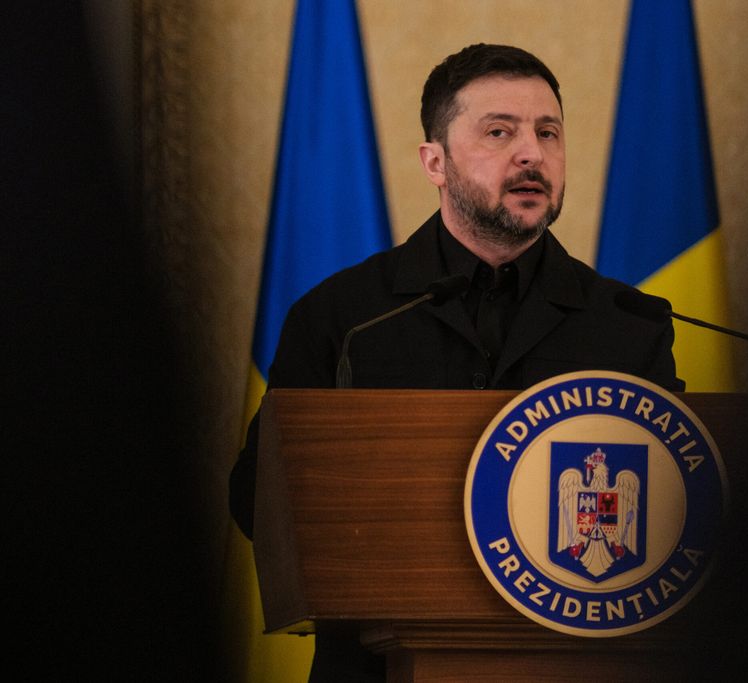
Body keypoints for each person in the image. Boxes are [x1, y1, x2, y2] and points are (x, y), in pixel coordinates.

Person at [229, 43, 684, 681]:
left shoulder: (628, 323)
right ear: (435, 162)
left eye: (548, 133)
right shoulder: (345, 317)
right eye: (500, 131)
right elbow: (257, 499)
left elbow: (674, 503)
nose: (532, 154)